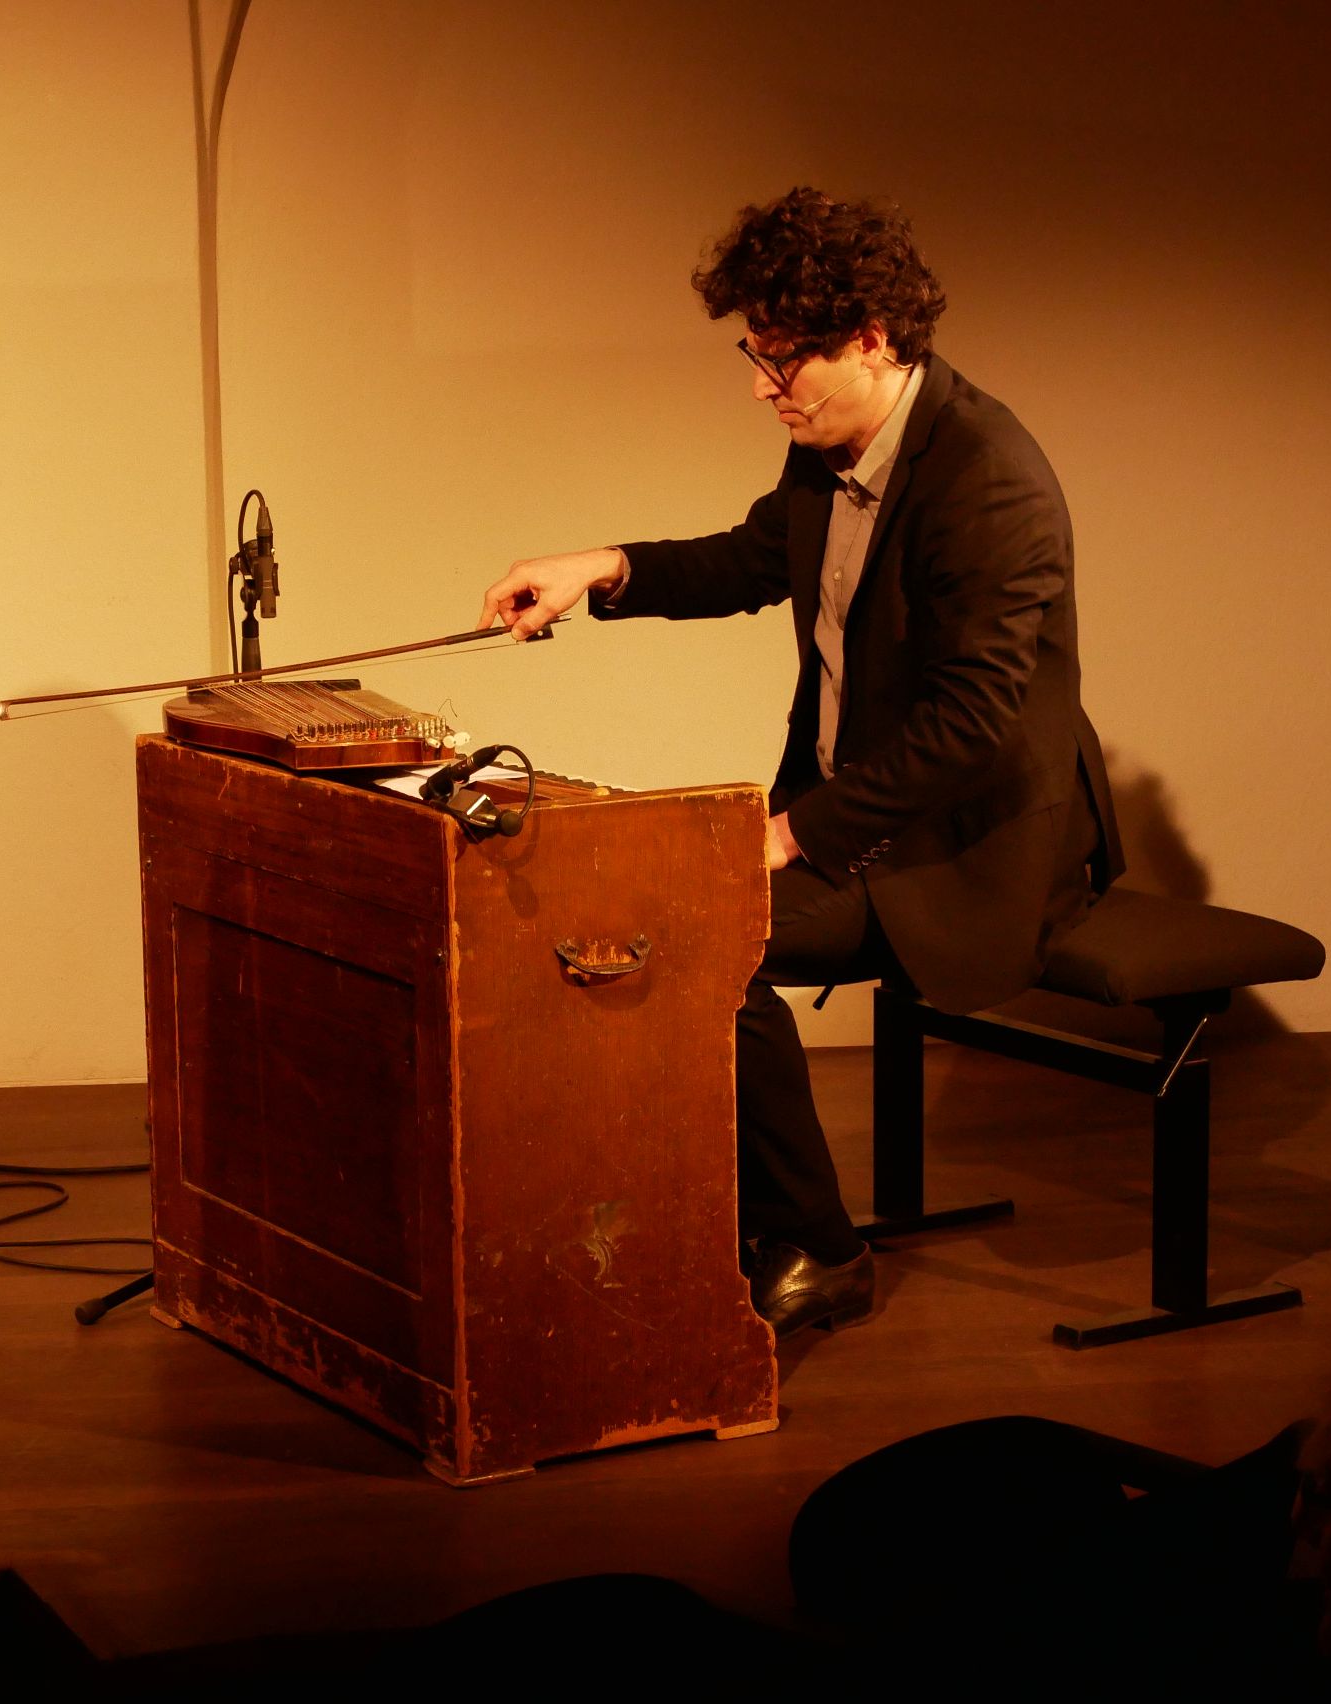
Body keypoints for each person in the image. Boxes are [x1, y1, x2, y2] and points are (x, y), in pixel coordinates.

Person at [478, 188, 1121, 1336]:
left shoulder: (986, 478)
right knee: (639, 919)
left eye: (782, 360)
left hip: (961, 849)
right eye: (756, 356)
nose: (762, 386)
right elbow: (750, 559)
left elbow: (972, 722)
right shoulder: (831, 450)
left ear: (870, 340)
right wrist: (600, 566)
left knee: (695, 941)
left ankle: (821, 1249)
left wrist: (793, 833)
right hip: (863, 823)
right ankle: (718, 1215)